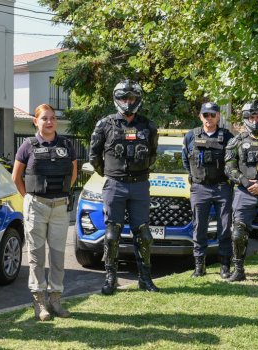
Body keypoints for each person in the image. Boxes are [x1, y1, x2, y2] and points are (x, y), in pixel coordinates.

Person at [89, 79, 159, 295]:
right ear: (116, 99)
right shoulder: (105, 125)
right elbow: (94, 156)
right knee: (111, 234)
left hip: (139, 185)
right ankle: (111, 280)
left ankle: (145, 280)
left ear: (138, 99)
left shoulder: (148, 126)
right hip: (115, 185)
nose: (128, 102)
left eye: (132, 98)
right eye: (123, 98)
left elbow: (153, 155)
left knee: (144, 235)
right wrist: (112, 174)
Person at [12, 104, 77, 321]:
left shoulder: (67, 145)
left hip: (59, 207)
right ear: (36, 121)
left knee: (58, 257)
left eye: (52, 118)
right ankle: (39, 302)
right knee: (37, 257)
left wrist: (61, 194)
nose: (49, 122)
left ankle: (56, 300)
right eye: (44, 119)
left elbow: (73, 174)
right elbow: (16, 178)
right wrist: (30, 199)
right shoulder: (27, 146)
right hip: (36, 206)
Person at [182, 102, 234, 278]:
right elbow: (185, 160)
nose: (209, 118)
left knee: (225, 227)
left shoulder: (227, 137)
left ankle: (225, 266)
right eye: (206, 115)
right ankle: (199, 266)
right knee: (199, 228)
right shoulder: (191, 136)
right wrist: (195, 178)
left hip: (222, 187)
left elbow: (232, 161)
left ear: (218, 116)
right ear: (200, 116)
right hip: (200, 188)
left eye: (212, 115)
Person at [225, 100, 258, 282]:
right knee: (238, 233)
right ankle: (239, 270)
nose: (255, 120)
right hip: (244, 192)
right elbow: (229, 166)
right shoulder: (237, 141)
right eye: (252, 117)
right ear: (246, 118)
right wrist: (244, 181)